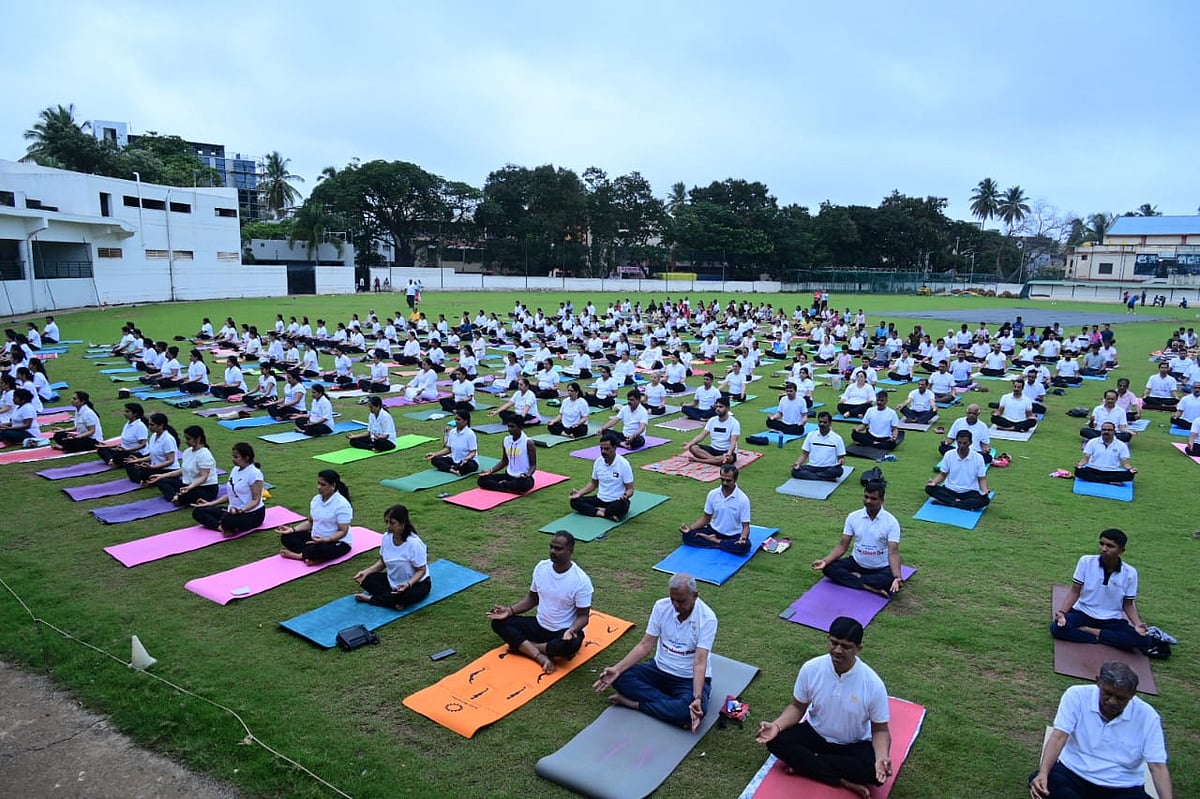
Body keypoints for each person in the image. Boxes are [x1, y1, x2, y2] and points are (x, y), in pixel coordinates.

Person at [756, 616, 893, 798]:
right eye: (834, 643)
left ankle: (808, 764)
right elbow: (798, 707)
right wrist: (777, 725)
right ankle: (842, 780)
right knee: (776, 741)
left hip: (852, 744)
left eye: (845, 646)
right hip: (815, 734)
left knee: (873, 773)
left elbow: (880, 730)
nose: (837, 650)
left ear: (859, 649)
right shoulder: (811, 668)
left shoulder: (873, 684)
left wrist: (882, 757)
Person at [1030, 659, 1173, 799]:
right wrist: (1043, 773)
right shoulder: (1076, 695)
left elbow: (1157, 766)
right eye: (1108, 693)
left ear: (1132, 695)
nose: (1112, 701)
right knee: (1049, 785)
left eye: (1120, 698)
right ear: (1098, 682)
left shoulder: (1148, 716)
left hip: (1122, 786)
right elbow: (1058, 737)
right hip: (1073, 773)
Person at [592, 573, 715, 731]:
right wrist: (616, 669)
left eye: (681, 601)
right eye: (673, 599)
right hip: (659, 669)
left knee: (688, 711)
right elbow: (645, 645)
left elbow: (699, 662)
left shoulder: (707, 618)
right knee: (620, 678)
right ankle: (672, 705)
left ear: (695, 595)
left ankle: (635, 704)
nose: (676, 605)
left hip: (688, 678)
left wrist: (697, 697)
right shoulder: (661, 607)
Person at [487, 531, 592, 674]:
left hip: (563, 632)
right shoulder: (542, 567)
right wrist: (509, 611)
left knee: (569, 645)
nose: (553, 551)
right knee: (499, 622)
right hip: (539, 625)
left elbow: (583, 616)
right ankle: (539, 655)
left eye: (558, 549)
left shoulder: (581, 580)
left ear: (570, 551)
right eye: (551, 547)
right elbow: (532, 598)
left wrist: (572, 629)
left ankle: (525, 647)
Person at [1050, 529, 1153, 653]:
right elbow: (1075, 591)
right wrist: (1062, 613)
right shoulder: (1086, 561)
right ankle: (1105, 638)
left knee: (1144, 640)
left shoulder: (1130, 573)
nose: (1104, 549)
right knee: (1057, 628)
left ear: (1121, 551)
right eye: (1102, 544)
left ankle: (1091, 632)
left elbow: (1128, 604)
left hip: (1111, 620)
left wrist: (1138, 625)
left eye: (1110, 546)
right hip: (1083, 613)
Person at [812, 481, 903, 598]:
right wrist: (825, 561)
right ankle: (868, 586)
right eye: (866, 497)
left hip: (880, 567)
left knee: (889, 583)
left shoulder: (891, 522)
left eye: (873, 499)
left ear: (882, 500)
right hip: (857, 562)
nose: (868, 501)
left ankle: (857, 578)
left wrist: (897, 577)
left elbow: (893, 552)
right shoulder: (853, 517)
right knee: (829, 568)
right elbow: (842, 546)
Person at [353, 504, 432, 609]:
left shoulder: (414, 544)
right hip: (393, 581)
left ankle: (372, 599)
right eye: (387, 522)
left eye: (392, 523)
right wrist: (367, 571)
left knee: (407, 596)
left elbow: (421, 570)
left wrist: (408, 584)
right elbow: (383, 562)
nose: (388, 526)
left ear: (402, 524)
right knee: (366, 580)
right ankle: (393, 600)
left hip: (416, 583)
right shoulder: (386, 537)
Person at [276, 469, 353, 564]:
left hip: (336, 541)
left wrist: (326, 540)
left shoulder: (342, 504)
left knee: (321, 549)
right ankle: (312, 556)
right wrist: (292, 530)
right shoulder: (316, 500)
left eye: (323, 485)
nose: (319, 487)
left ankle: (301, 556)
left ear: (333, 486)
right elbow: (310, 522)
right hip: (316, 538)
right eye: (318, 484)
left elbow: (343, 531)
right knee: (287, 537)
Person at [191, 442, 266, 534]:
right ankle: (221, 527)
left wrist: (241, 510)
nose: (233, 459)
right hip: (232, 510)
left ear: (246, 458)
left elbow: (256, 500)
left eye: (236, 457)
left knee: (228, 520)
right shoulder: (235, 469)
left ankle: (226, 524)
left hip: (252, 513)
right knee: (198, 511)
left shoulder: (254, 473)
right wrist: (210, 503)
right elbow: (231, 495)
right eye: (233, 456)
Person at [679, 464, 751, 554]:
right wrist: (690, 529)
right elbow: (706, 518)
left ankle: (715, 542)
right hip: (714, 530)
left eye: (728, 480)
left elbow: (746, 526)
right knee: (687, 536)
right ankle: (723, 545)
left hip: (733, 535)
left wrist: (743, 538)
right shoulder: (713, 494)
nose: (724, 483)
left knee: (745, 546)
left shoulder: (743, 499)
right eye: (722, 479)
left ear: (735, 480)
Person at [145, 425, 219, 507]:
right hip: (188, 485)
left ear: (198, 438)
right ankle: (176, 497)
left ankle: (179, 498)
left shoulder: (204, 454)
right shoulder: (187, 451)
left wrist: (190, 487)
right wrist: (161, 476)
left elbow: (203, 477)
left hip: (205, 488)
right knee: (162, 481)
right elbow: (183, 470)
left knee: (187, 495)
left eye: (188, 439)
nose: (186, 441)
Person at [568, 438, 634, 521]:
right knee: (574, 501)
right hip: (600, 499)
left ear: (614, 448)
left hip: (616, 501)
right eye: (601, 449)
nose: (603, 451)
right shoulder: (598, 462)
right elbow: (593, 484)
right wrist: (579, 493)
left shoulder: (624, 464)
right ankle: (602, 513)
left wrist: (625, 496)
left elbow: (630, 489)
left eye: (606, 449)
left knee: (621, 507)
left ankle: (598, 510)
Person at [926, 430, 990, 510]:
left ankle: (948, 502)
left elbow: (982, 478)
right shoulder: (949, 454)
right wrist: (933, 482)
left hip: (969, 492)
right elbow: (943, 474)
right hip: (950, 490)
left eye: (964, 443)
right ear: (956, 442)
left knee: (985, 500)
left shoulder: (978, 458)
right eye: (959, 443)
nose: (961, 446)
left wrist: (984, 491)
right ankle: (962, 504)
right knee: (929, 488)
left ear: (970, 443)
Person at [477, 418, 536, 493]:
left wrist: (528, 474)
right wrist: (490, 471)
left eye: (512, 427)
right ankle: (506, 487)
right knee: (482, 479)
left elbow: (533, 465)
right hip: (508, 475)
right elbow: (504, 461)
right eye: (508, 426)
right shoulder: (506, 440)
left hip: (522, 478)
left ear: (520, 427)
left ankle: (505, 486)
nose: (509, 429)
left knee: (523, 484)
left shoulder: (528, 443)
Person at [123, 413, 178, 484]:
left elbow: (170, 461)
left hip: (168, 469)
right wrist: (137, 460)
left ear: (161, 425)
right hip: (155, 467)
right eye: (149, 424)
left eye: (152, 425)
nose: (149, 427)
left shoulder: (168, 440)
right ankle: (147, 480)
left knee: (143, 473)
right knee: (129, 463)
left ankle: (148, 480)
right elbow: (152, 456)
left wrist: (152, 467)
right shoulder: (153, 436)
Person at [791, 411, 847, 481]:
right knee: (794, 471)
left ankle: (815, 476)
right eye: (820, 422)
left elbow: (841, 457)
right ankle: (823, 477)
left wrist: (841, 461)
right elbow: (804, 454)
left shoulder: (837, 438)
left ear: (830, 423)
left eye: (824, 422)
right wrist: (798, 464)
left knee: (838, 471)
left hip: (829, 468)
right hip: (812, 467)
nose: (822, 424)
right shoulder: (811, 435)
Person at [683, 397, 740, 465]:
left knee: (727, 459)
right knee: (693, 447)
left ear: (728, 409)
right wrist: (690, 443)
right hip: (713, 449)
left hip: (726, 451)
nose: (718, 409)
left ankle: (699, 460)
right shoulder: (712, 420)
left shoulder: (734, 423)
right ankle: (714, 460)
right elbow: (702, 435)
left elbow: (733, 442)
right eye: (717, 407)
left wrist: (729, 453)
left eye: (721, 407)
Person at [425, 409, 479, 474]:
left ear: (466, 421)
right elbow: (448, 449)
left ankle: (453, 468)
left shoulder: (470, 434)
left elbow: (473, 452)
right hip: (454, 460)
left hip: (467, 461)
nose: (456, 421)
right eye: (455, 419)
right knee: (435, 460)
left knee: (467, 465)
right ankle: (453, 469)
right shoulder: (452, 432)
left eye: (459, 420)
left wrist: (467, 458)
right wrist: (435, 454)